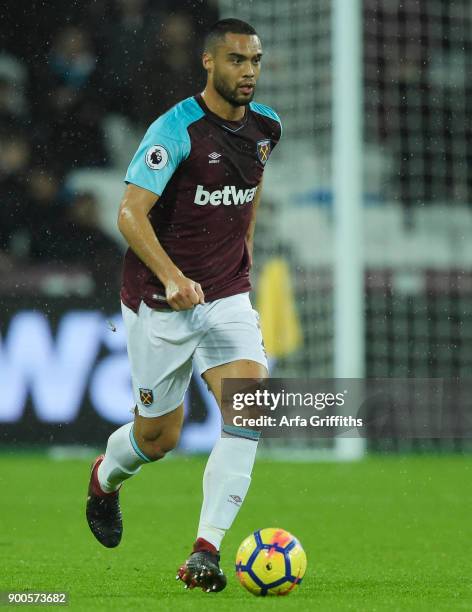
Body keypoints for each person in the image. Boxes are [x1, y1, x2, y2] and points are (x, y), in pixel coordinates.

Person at [86, 18, 282, 593]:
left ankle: (205, 551)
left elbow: (252, 187)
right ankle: (103, 480)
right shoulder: (176, 130)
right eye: (236, 61)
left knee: (250, 409)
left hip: (226, 296)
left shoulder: (268, 126)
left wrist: (239, 254)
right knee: (158, 440)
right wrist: (171, 276)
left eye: (255, 61)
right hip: (160, 303)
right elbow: (128, 213)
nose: (248, 71)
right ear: (208, 63)